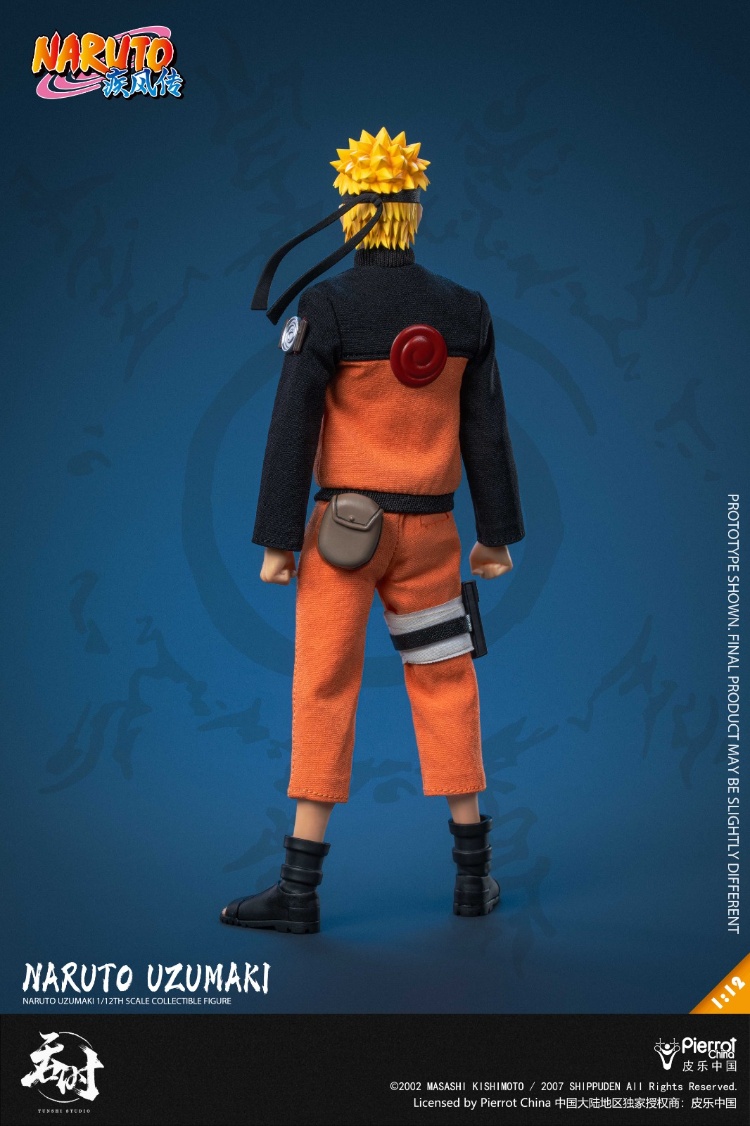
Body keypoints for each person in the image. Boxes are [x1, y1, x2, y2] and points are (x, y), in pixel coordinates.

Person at [221, 128, 524, 933]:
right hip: (433, 535)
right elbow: (486, 431)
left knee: (324, 684)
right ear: (414, 209)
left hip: (343, 537)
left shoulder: (327, 307)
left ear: (352, 214)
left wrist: (277, 538)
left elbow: (292, 427)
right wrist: (496, 534)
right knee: (445, 680)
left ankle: (298, 890)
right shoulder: (465, 309)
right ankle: (473, 875)